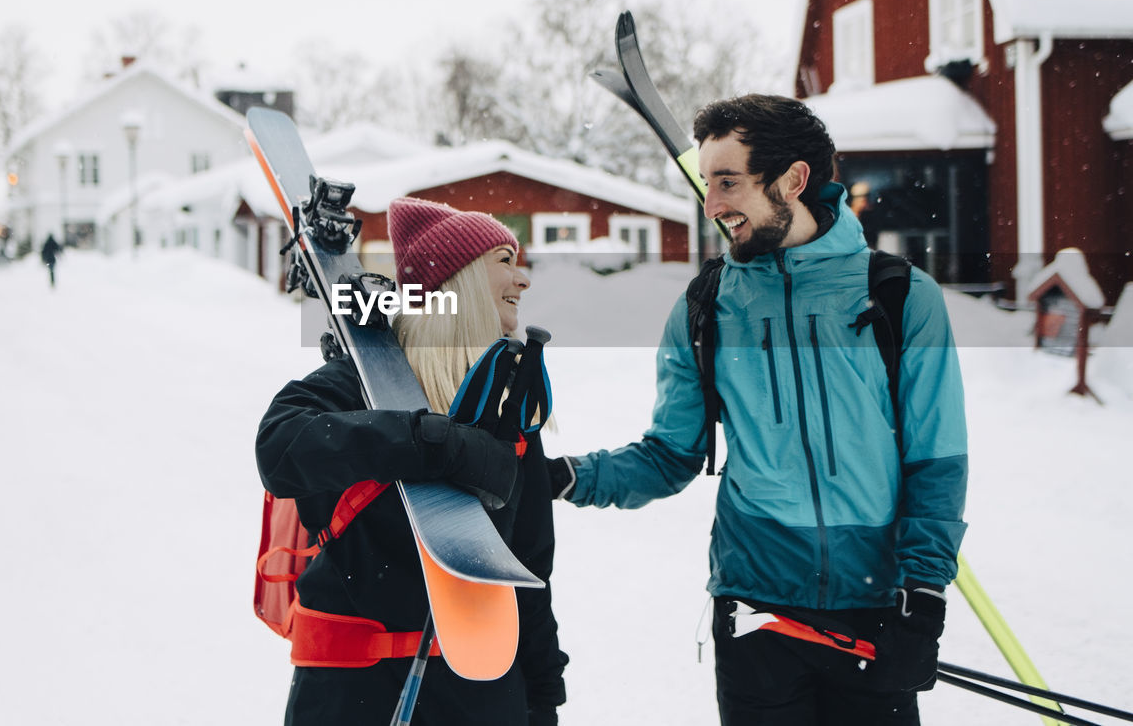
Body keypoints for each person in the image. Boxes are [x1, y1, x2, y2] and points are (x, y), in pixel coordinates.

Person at [547, 94, 967, 725]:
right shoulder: (707, 306)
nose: (711, 204)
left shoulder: (899, 295)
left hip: (874, 608)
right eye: (707, 184)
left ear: (794, 180)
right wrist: (561, 476)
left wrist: (923, 595)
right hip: (757, 612)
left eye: (727, 182)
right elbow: (669, 456)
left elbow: (935, 463)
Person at [256, 197, 568, 725]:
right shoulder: (358, 385)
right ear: (460, 281)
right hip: (350, 694)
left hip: (479, 692)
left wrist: (543, 697)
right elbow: (282, 447)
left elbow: (529, 573)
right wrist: (431, 442)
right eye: (504, 261)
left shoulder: (509, 412)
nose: (523, 279)